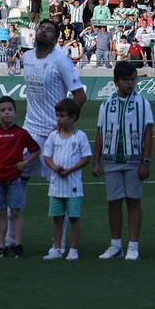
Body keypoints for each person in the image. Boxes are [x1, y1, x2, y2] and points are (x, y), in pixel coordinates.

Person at [19, 19, 87, 250]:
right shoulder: (26, 58)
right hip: (29, 130)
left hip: (53, 133)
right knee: (16, 179)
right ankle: (10, 240)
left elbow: (80, 96)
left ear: (56, 39)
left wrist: (62, 127)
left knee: (59, 188)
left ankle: (59, 244)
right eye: (41, 28)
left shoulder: (61, 60)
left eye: (49, 30)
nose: (44, 32)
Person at [93, 60, 154, 261]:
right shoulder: (106, 103)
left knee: (134, 201)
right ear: (116, 82)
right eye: (126, 80)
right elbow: (100, 133)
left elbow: (148, 132)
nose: (131, 83)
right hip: (111, 159)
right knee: (113, 203)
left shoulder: (142, 103)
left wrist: (146, 161)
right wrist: (96, 161)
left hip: (134, 159)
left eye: (133, 80)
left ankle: (133, 245)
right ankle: (115, 244)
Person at [0, 95, 41, 258]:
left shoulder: (21, 133)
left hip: (14, 178)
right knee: (0, 212)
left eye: (9, 110)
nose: (6, 113)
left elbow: (35, 150)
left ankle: (18, 244)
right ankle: (1, 246)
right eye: (3, 110)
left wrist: (25, 163)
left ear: (15, 113)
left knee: (16, 212)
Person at [42, 98, 92, 261]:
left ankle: (74, 249)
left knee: (74, 218)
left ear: (73, 117)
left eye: (62, 116)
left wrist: (70, 170)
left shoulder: (80, 136)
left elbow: (86, 158)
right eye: (57, 116)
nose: (59, 119)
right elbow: (47, 156)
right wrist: (54, 167)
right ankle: (57, 247)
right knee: (57, 218)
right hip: (56, 185)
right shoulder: (53, 136)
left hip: (73, 185)